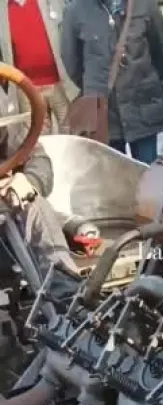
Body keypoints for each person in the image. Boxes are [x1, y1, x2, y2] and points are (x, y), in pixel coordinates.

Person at [60, 0, 163, 164]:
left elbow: (160, 47)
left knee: (148, 176)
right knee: (112, 181)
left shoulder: (145, 4)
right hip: (103, 114)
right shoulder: (75, 10)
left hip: (142, 107)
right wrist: (94, 86)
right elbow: (71, 61)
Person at [0, 87, 78, 278]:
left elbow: (39, 160)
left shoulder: (12, 132)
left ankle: (65, 287)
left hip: (11, 222)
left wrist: (27, 183)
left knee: (33, 203)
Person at [0, 0, 78, 133]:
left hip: (61, 86)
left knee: (73, 139)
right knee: (38, 144)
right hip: (27, 90)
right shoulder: (2, 8)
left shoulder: (53, 3)